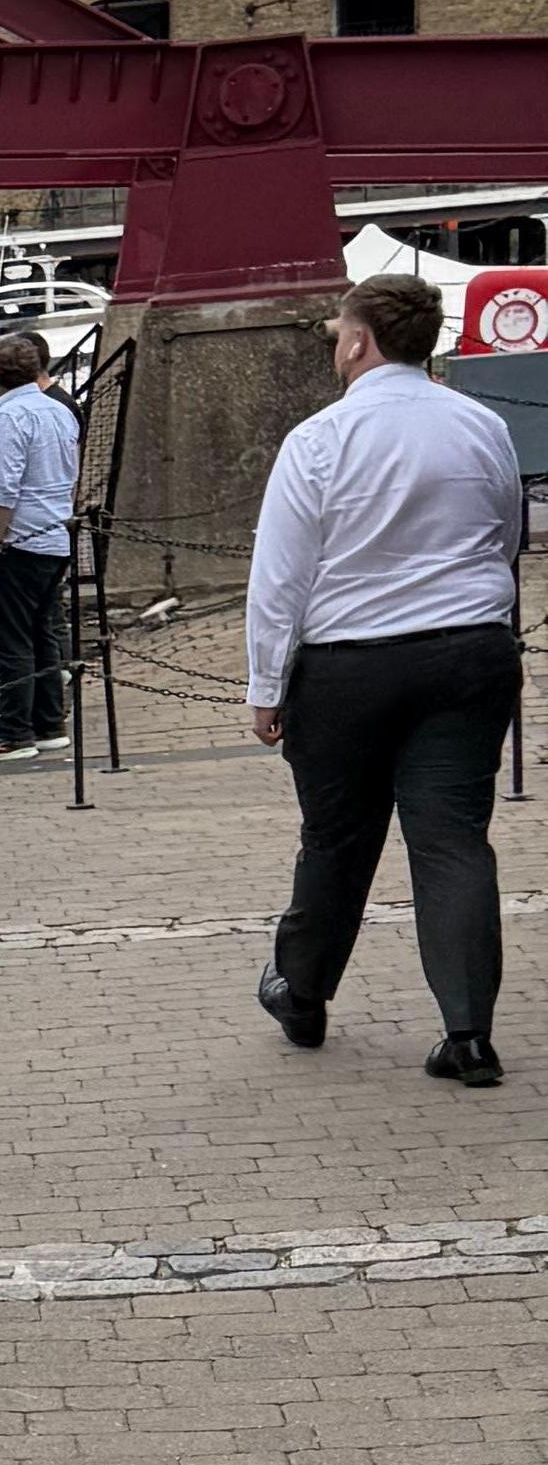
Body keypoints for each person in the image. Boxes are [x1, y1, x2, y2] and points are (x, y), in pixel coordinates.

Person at [250, 271, 529, 1085]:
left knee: (337, 840)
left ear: (360, 340)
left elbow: (281, 579)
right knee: (451, 841)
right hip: (467, 650)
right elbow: (503, 533)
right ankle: (468, 1034)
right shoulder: (482, 426)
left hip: (351, 665)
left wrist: (265, 686)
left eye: (340, 330)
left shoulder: (319, 439)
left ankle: (302, 993)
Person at [0, 329, 80, 762]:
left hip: (18, 545)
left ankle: (14, 733)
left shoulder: (11, 417)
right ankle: (50, 723)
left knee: (10, 639)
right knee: (41, 632)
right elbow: (70, 474)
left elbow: (4, 486)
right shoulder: (58, 411)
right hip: (52, 537)